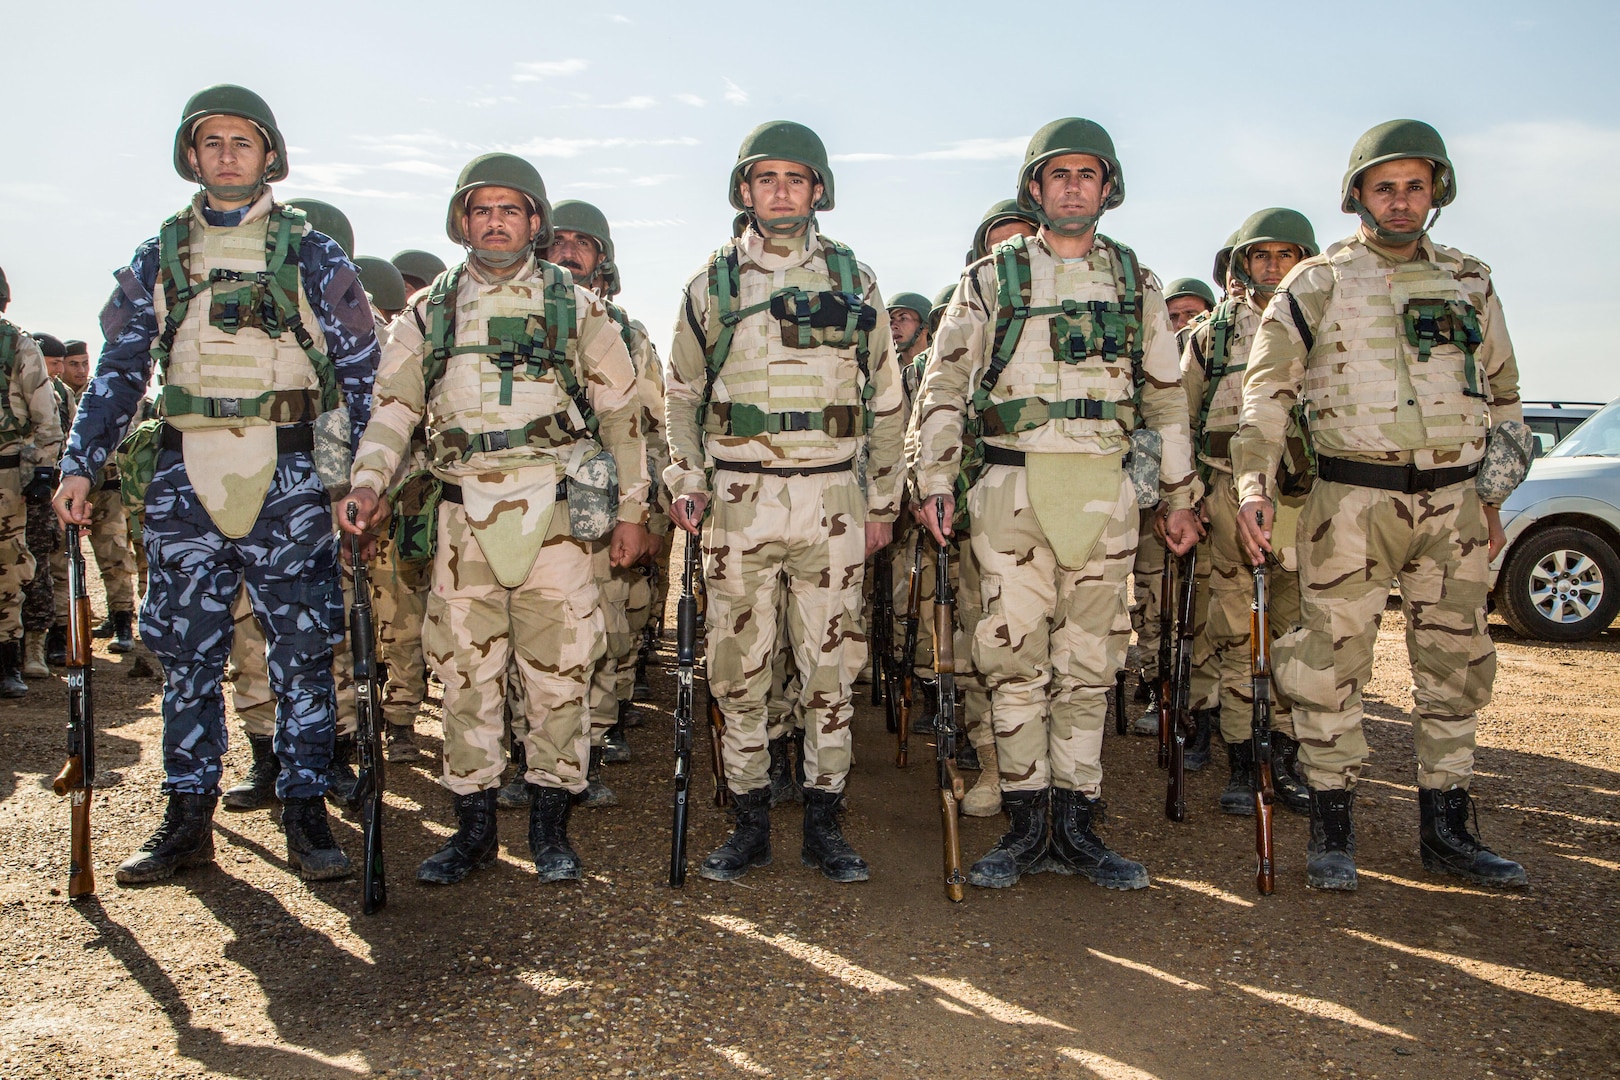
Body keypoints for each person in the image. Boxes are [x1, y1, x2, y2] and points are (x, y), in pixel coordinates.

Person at [53, 84, 378, 886]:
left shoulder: (313, 254)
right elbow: (121, 372)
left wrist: (353, 480)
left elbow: (361, 376)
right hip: (184, 474)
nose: (227, 154)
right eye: (211, 142)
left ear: (270, 154)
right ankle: (187, 816)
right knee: (186, 654)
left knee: (302, 653)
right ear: (190, 156)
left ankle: (306, 812)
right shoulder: (159, 254)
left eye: (243, 141)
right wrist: (78, 462)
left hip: (292, 473)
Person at [1232, 120, 1529, 891]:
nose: (1400, 203)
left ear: (1436, 193)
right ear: (1357, 195)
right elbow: (1267, 395)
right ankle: (1332, 826)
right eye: (1384, 187)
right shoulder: (1317, 284)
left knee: (1456, 663)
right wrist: (1254, 487)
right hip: (1352, 501)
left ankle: (1448, 827)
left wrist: (1491, 495)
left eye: (1415, 187)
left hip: (1454, 506)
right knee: (1331, 661)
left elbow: (1505, 396)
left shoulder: (1472, 281)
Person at [341, 152, 651, 886]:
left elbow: (623, 416)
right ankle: (473, 830)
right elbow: (395, 409)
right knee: (467, 678)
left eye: (511, 210)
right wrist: (366, 482)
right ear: (462, 221)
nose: (496, 222)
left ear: (534, 222)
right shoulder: (432, 312)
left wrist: (634, 512)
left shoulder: (576, 306)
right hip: (462, 522)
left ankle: (550, 828)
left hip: (558, 522)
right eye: (482, 210)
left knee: (559, 680)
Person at [911, 118, 1200, 891]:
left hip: (1105, 494)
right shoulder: (990, 278)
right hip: (1011, 488)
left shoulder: (1135, 281)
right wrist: (934, 479)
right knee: (1012, 660)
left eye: (1087, 174)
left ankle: (1076, 825)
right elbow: (943, 387)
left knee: (1089, 666)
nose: (1073, 187)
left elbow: (1167, 399)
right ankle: (1024, 821)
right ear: (1034, 188)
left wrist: (1179, 496)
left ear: (1108, 189)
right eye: (1058, 174)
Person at [664, 121, 904, 883]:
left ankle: (826, 823)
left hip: (832, 495)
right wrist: (688, 479)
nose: (780, 192)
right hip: (740, 497)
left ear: (818, 191)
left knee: (831, 668)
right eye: (765, 179)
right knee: (740, 670)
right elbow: (680, 396)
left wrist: (884, 502)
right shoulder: (712, 286)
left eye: (795, 179)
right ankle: (750, 820)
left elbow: (889, 396)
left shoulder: (853, 279)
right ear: (744, 190)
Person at [1180, 209, 1318, 817]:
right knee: (1238, 632)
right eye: (1260, 256)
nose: (1271, 266)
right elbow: (1179, 420)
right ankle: (1243, 759)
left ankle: (1285, 756)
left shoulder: (1324, 318)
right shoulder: (1210, 335)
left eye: (1284, 255)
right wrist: (1184, 498)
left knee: (1297, 631)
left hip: (1305, 500)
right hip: (1227, 491)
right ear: (1242, 264)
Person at [540, 197, 670, 805]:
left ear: (602, 261)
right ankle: (530, 754)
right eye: (559, 240)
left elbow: (648, 425)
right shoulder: (518, 312)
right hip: (530, 495)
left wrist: (641, 508)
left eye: (582, 244)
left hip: (602, 496)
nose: (568, 250)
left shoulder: (627, 333)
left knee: (599, 623)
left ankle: (587, 746)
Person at [0, 267, 64, 697]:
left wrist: (45, 467)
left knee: (7, 566)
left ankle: (8, 660)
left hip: (4, 470)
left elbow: (44, 410)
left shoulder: (16, 344)